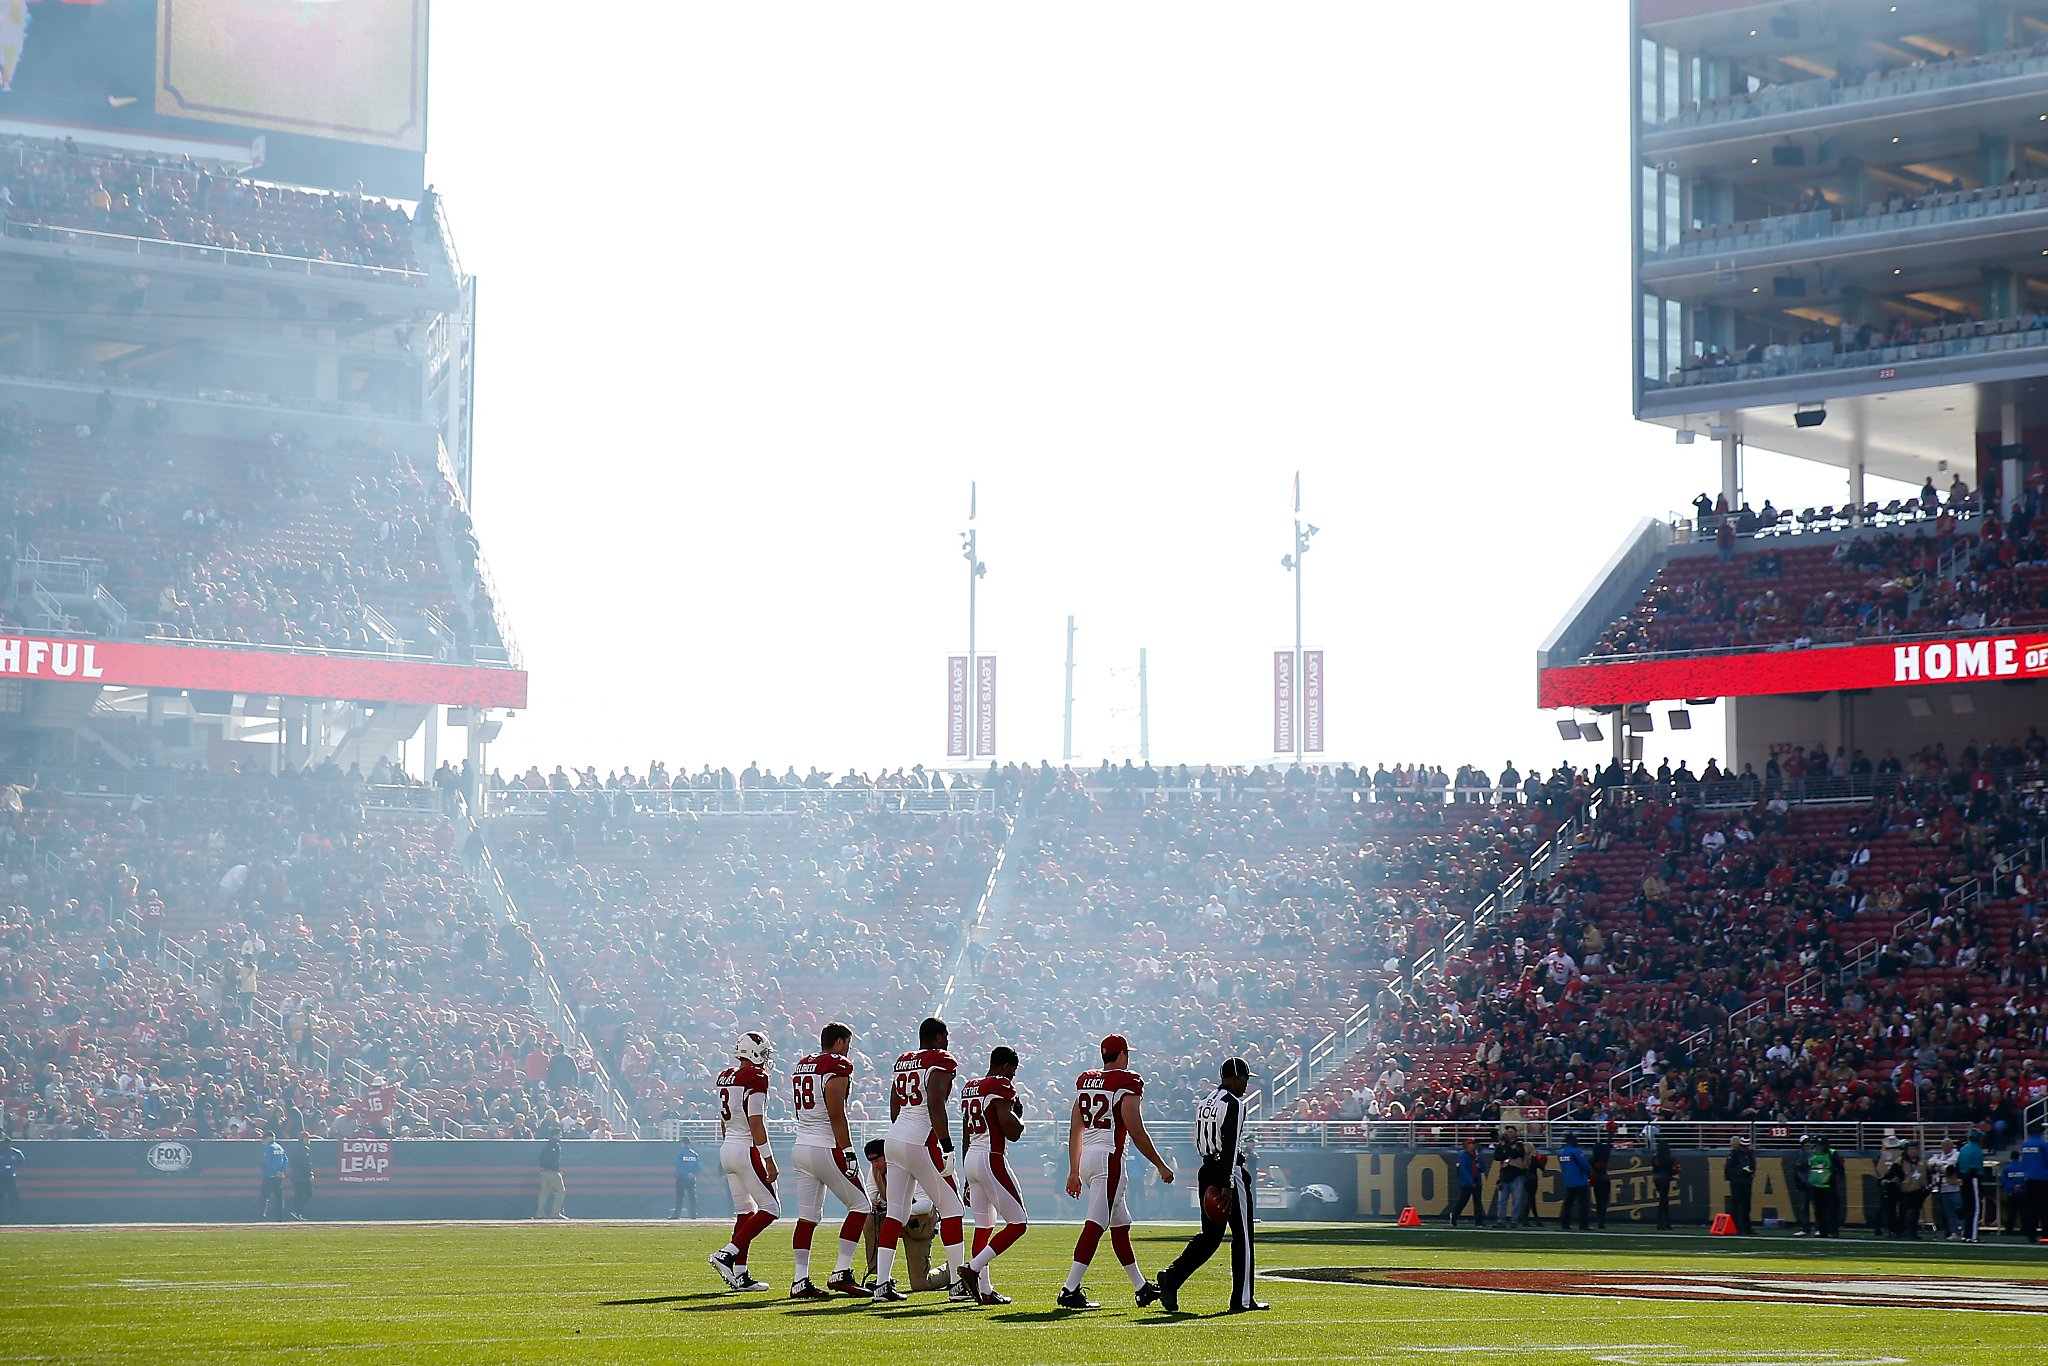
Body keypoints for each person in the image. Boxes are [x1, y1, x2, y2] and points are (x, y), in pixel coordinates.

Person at [1061, 1033, 1174, 1311]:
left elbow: (1075, 1128)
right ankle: (1069, 1289)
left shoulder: (1086, 1080)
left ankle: (1141, 1288)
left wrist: (1074, 1170)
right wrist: (1160, 1164)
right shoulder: (1127, 1081)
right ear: (1122, 1055)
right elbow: (1136, 1130)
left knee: (1120, 1225)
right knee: (1096, 1223)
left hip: (1088, 1158)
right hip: (1108, 1159)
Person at [872, 1016, 972, 1305]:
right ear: (939, 1037)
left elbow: (895, 1105)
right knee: (953, 1209)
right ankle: (956, 1284)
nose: (949, 1041)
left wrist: (903, 1136)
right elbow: (935, 1104)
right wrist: (947, 1146)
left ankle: (881, 1285)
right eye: (947, 1035)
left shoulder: (904, 1060)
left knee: (896, 1215)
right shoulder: (940, 1060)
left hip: (895, 1138)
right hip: (917, 1138)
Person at [1155, 1057, 1267, 1314]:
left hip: (1206, 1168)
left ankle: (1172, 1277)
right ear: (1235, 1078)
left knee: (1210, 1237)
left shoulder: (1205, 1101)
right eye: (1245, 1080)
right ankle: (1242, 1299)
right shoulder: (1234, 1104)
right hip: (1228, 1172)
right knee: (1243, 1238)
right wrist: (1228, 1183)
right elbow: (1229, 1146)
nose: (1246, 1085)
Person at [786, 1022, 872, 1299]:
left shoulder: (803, 1064)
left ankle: (800, 1280)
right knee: (861, 1205)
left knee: (807, 1217)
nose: (848, 1049)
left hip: (802, 1145)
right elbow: (836, 1112)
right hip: (826, 1145)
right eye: (847, 1043)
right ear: (839, 1042)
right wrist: (847, 1150)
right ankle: (841, 1272)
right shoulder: (837, 1064)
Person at [708, 1031, 778, 1291]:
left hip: (728, 1146)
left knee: (745, 1212)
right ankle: (727, 1253)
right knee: (771, 1209)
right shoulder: (756, 1077)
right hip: (745, 1147)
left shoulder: (727, 1076)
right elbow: (756, 1120)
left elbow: (724, 1120)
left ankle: (740, 1273)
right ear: (755, 1052)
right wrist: (768, 1158)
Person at [960, 1046, 1030, 1306]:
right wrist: (1020, 1117)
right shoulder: (1000, 1084)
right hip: (991, 1156)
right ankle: (973, 1268)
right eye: (1013, 1070)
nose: (1012, 1076)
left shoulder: (970, 1087)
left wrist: (967, 1178)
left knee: (984, 1226)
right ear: (1006, 1066)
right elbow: (1011, 1131)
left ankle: (986, 1290)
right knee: (1018, 1223)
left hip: (972, 1158)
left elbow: (967, 1133)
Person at [1491, 1126, 1527, 1226]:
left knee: (1517, 1200)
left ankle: (1514, 1220)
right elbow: (1497, 1156)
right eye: (1508, 1132)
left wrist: (1506, 1148)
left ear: (1515, 1133)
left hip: (1517, 1175)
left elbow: (1515, 1154)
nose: (1509, 1133)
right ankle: (1501, 1220)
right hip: (1504, 1175)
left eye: (1511, 1132)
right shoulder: (1502, 1144)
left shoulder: (1519, 1144)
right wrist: (1505, 1149)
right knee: (1502, 1201)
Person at [1957, 1128, 1988, 1243]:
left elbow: (1958, 1164)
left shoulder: (1963, 1149)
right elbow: (1974, 1168)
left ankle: (1966, 1234)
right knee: (1975, 1209)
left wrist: (1960, 1179)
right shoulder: (1977, 1150)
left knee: (1967, 1208)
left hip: (1963, 1180)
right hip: (1972, 1179)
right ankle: (1973, 1236)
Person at [2020, 1122, 2048, 1241]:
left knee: (2031, 1207)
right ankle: (2046, 1235)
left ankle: (2031, 1235)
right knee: (2044, 1208)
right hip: (2043, 1179)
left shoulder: (2025, 1145)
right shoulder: (2043, 1144)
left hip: (2029, 1179)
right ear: (2041, 1132)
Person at [1558, 1133, 1593, 1231]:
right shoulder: (1576, 1152)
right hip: (1580, 1181)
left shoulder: (1562, 1153)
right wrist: (1590, 1172)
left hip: (1569, 1181)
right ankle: (1583, 1225)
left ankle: (1565, 1224)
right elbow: (1584, 1164)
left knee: (1568, 1204)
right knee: (1583, 1204)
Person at [1450, 1137, 1487, 1227]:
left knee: (1477, 1202)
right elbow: (1463, 1169)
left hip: (1476, 1179)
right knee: (1463, 1200)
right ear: (1468, 1145)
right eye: (1472, 1144)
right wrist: (1470, 1181)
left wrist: (1480, 1166)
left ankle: (1478, 1221)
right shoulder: (1463, 1155)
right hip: (1466, 1182)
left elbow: (1483, 1167)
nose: (1474, 1145)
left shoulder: (1478, 1154)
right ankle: (1454, 1215)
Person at [1724, 1135, 1755, 1235]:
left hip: (1746, 1182)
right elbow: (1728, 1169)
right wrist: (1741, 1171)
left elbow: (1753, 1165)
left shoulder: (1749, 1154)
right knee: (1736, 1205)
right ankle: (1736, 1227)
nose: (1745, 1148)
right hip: (1737, 1182)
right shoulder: (1734, 1154)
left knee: (1747, 1205)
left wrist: (1751, 1171)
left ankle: (1747, 1228)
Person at [535, 1133, 566, 1219]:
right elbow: (552, 1160)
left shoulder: (547, 1144)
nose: (560, 1137)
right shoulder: (554, 1145)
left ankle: (539, 1213)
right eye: (559, 1135)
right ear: (554, 1135)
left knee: (545, 1192)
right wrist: (555, 1169)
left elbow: (541, 1157)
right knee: (561, 1190)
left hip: (545, 1171)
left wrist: (542, 1167)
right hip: (551, 1171)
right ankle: (556, 1212)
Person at [258, 1135, 289, 1221]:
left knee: (264, 1198)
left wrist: (275, 1172)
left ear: (267, 1138)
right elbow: (286, 1160)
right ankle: (279, 1219)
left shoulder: (268, 1148)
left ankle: (261, 1217)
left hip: (269, 1176)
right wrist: (282, 1171)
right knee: (279, 1199)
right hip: (279, 1178)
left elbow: (268, 1162)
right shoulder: (279, 1147)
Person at [1651, 1140, 1677, 1231]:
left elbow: (1654, 1169)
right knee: (1664, 1200)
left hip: (1657, 1179)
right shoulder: (1669, 1158)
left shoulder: (1655, 1158)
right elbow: (1671, 1170)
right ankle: (1664, 1223)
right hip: (1665, 1179)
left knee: (1663, 1200)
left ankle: (1662, 1223)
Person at [1590, 1131, 1613, 1229]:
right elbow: (1608, 1146)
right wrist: (1610, 1134)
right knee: (1604, 1201)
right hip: (1605, 1180)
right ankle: (1602, 1220)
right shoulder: (1605, 1157)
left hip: (1596, 1181)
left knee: (1598, 1201)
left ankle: (1599, 1219)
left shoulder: (1591, 1159)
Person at [288, 1135, 314, 1222]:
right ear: (304, 1139)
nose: (309, 1140)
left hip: (296, 1176)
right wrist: (310, 1173)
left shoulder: (295, 1149)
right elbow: (306, 1163)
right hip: (303, 1177)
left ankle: (295, 1212)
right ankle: (297, 1212)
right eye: (307, 1138)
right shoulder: (304, 1149)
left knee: (298, 1195)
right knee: (308, 1193)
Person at [670, 1142, 699, 1220]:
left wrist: (686, 1173)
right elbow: (698, 1166)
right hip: (691, 1179)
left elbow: (679, 1165)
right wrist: (693, 1173)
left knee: (679, 1197)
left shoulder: (680, 1153)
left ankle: (677, 1215)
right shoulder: (694, 1154)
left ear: (683, 1143)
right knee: (692, 1197)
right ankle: (693, 1214)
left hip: (681, 1178)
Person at [0, 1139, 21, 1221]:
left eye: (7, 1144)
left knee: (14, 1200)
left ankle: (16, 1220)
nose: (5, 1146)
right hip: (1, 1179)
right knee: (1, 1200)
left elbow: (21, 1162)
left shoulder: (16, 1153)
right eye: (4, 1144)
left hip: (11, 1179)